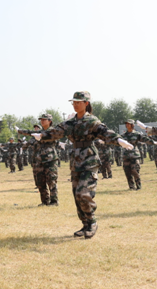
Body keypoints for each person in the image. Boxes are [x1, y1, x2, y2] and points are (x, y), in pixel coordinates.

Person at [34, 91, 131, 239]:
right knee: (76, 196)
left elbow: (104, 131)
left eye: (78, 102)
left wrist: (118, 140)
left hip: (89, 160)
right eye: (73, 102)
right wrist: (41, 135)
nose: (75, 105)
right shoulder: (70, 122)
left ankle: (92, 222)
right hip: (76, 162)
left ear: (86, 103)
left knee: (83, 193)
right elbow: (56, 132)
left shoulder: (91, 120)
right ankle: (85, 225)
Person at [120, 119, 153, 190]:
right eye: (126, 123)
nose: (127, 125)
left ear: (132, 125)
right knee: (127, 172)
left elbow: (145, 139)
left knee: (135, 171)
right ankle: (131, 187)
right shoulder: (123, 135)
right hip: (126, 155)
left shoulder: (137, 134)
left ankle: (138, 186)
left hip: (134, 155)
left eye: (129, 123)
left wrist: (154, 142)